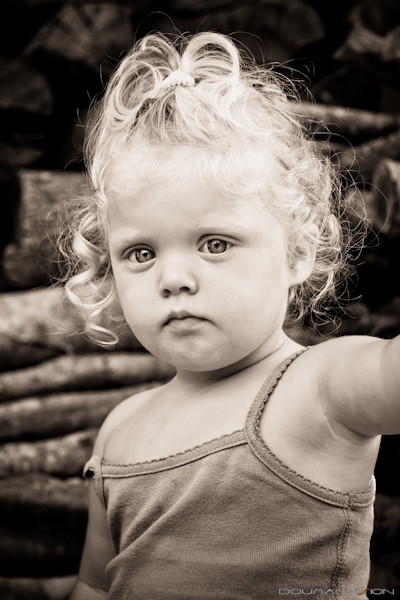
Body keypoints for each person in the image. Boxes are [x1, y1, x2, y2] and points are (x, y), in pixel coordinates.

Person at [63, 31, 399, 600]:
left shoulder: (319, 388)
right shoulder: (120, 430)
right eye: (140, 253)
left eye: (214, 243)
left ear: (296, 253)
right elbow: (95, 585)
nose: (172, 277)